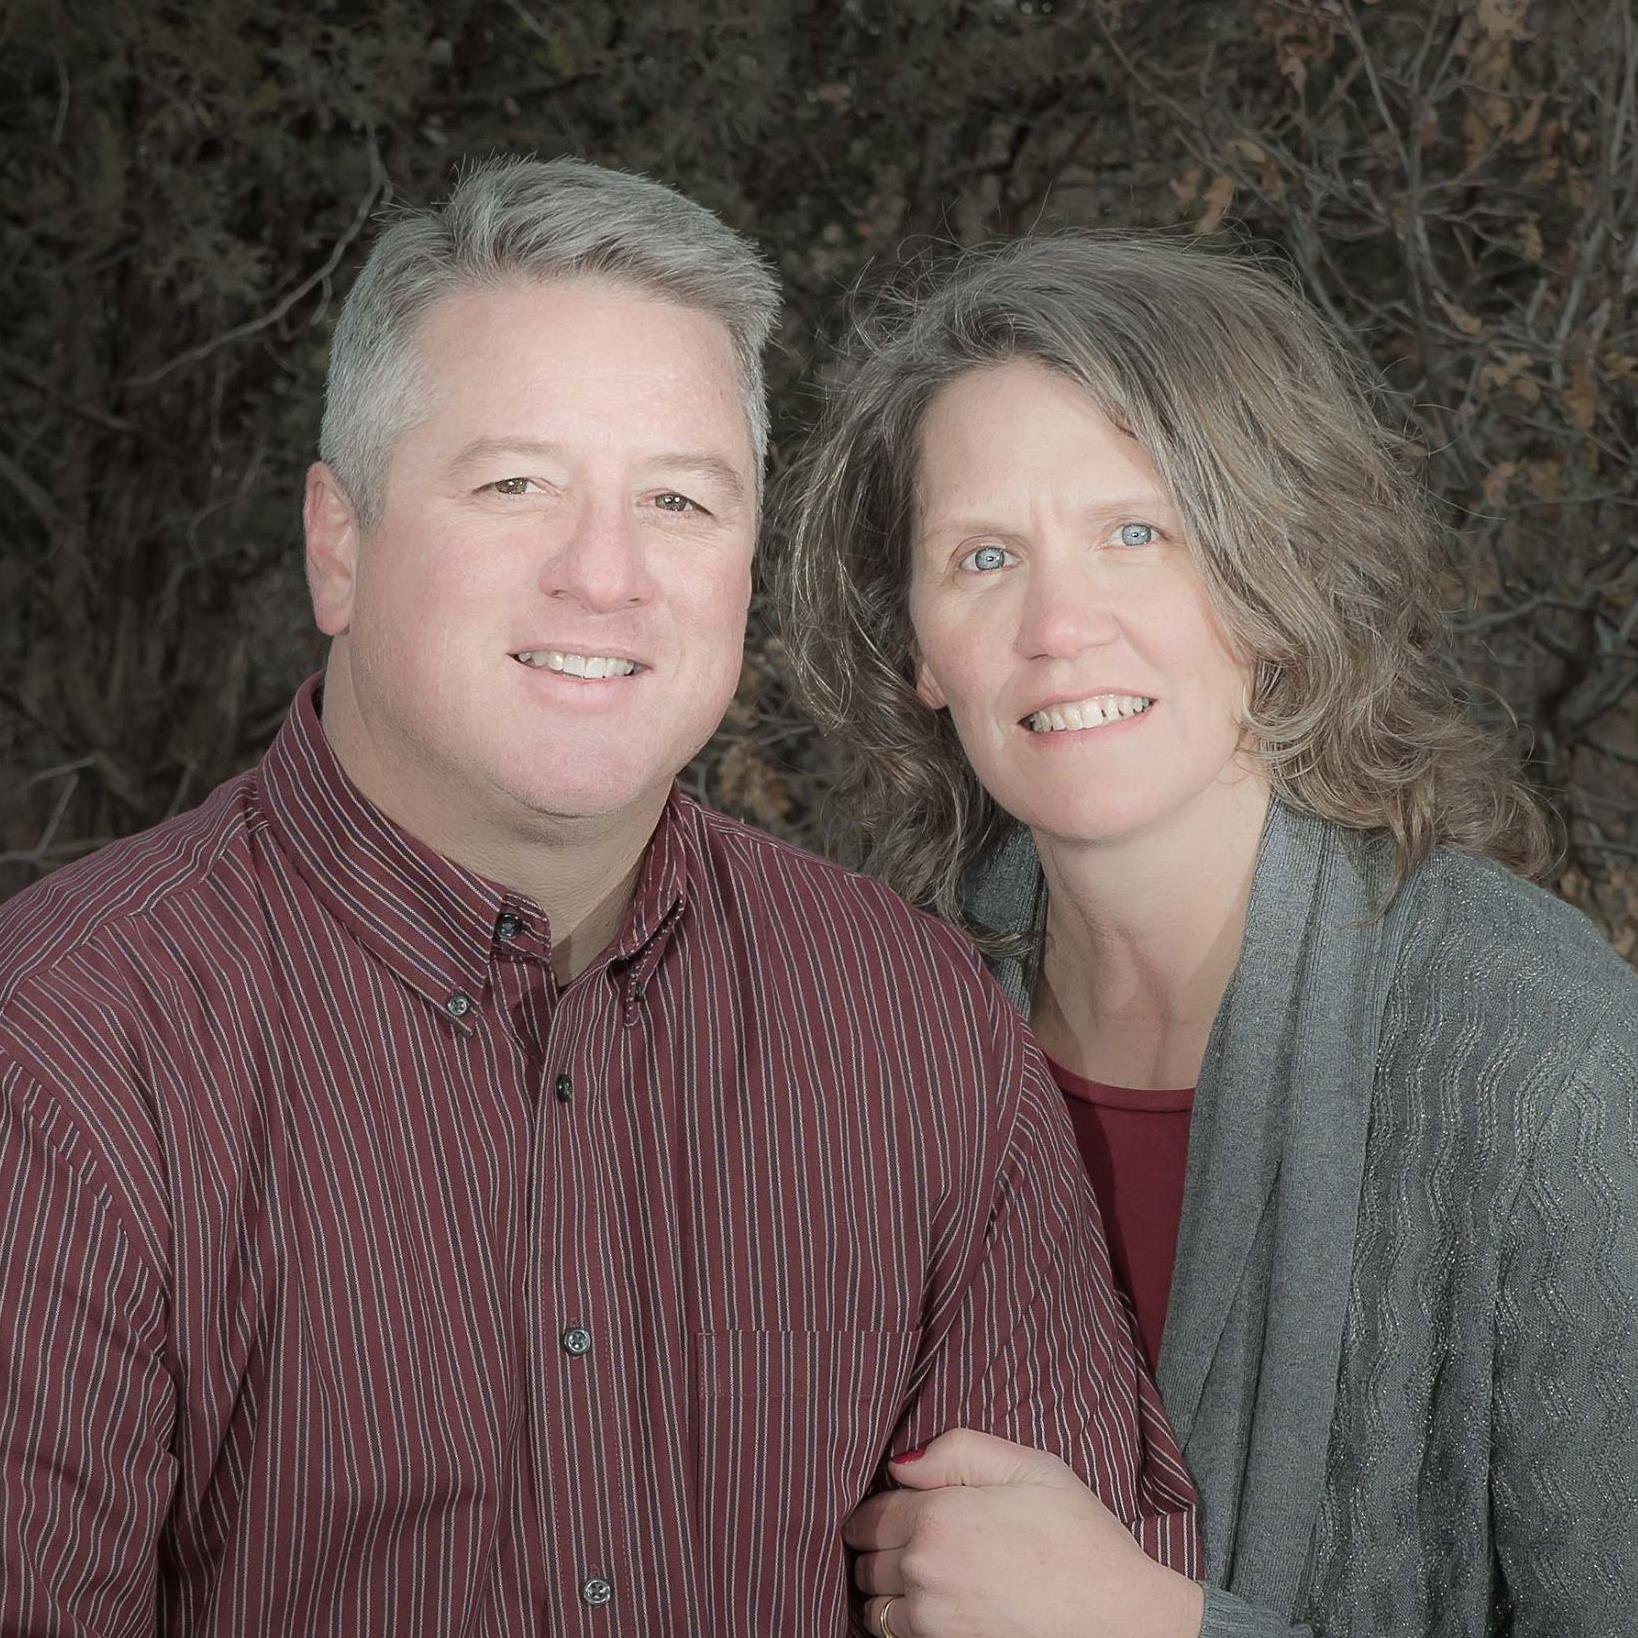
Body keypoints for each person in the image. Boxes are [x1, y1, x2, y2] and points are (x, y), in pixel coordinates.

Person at [0, 161, 1204, 1636]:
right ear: (339, 541)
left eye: (679, 500)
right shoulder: (59, 1057)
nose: (605, 575)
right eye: (516, 485)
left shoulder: (913, 1023)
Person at [781, 234, 1638, 1636]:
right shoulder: (865, 1040)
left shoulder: (1542, 1060)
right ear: (914, 652)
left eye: (1136, 532)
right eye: (983, 556)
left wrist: (1148, 1625)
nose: (1058, 625)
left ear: (1269, 571)